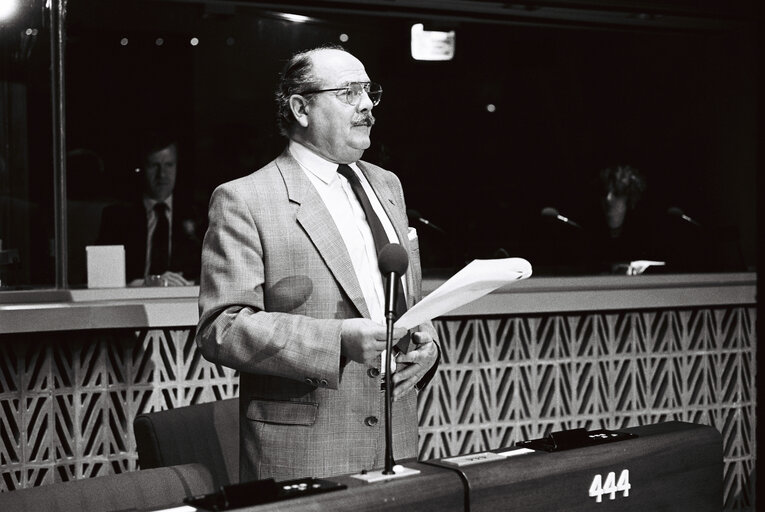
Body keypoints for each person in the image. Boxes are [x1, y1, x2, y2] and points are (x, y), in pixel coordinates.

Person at [195, 45, 440, 481]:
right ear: (300, 108)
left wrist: (427, 345)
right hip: (305, 452)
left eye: (369, 91)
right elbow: (222, 328)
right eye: (348, 92)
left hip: (396, 438)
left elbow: (400, 303)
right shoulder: (245, 199)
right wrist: (338, 339)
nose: (366, 105)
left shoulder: (388, 185)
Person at [97, 132, 202, 286]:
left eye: (169, 165)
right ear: (141, 168)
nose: (162, 174)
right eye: (154, 165)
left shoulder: (197, 215)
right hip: (134, 303)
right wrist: (148, 283)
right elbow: (103, 279)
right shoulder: (117, 217)